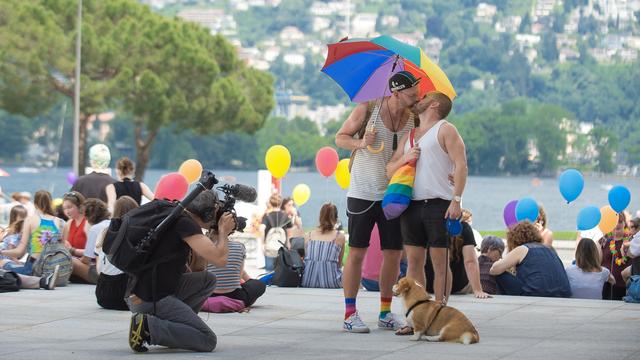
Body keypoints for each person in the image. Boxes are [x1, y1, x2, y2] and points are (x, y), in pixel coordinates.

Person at [335, 70, 419, 333]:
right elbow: (340, 138)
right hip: (362, 192)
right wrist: (361, 142)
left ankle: (385, 312)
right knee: (357, 252)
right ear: (396, 92)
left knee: (393, 254)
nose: (416, 98)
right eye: (411, 94)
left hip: (392, 194)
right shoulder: (368, 109)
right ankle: (350, 313)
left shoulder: (413, 118)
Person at [125, 190, 236, 353]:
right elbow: (220, 260)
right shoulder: (186, 225)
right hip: (151, 298)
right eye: (215, 212)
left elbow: (198, 269)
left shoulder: (175, 214)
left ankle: (179, 329)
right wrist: (224, 233)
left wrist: (213, 237)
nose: (216, 217)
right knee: (207, 340)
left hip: (139, 292)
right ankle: (149, 328)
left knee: (207, 280)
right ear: (206, 213)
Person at [387, 91, 468, 305]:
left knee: (440, 263)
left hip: (438, 203)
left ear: (433, 104)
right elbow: (389, 170)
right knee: (414, 262)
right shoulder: (410, 135)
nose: (418, 100)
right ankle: (416, 311)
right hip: (411, 204)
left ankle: (440, 309)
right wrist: (405, 158)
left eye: (423, 97)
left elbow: (461, 165)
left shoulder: (446, 129)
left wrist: (456, 200)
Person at [490, 222, 571, 297]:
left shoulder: (523, 249)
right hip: (564, 292)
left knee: (499, 273)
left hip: (536, 293)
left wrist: (500, 262)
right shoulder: (549, 249)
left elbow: (494, 269)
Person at [0, 190, 65, 277]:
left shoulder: (30, 220)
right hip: (56, 267)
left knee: (3, 263)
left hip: (35, 267)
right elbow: (63, 248)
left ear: (35, 203)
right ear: (50, 202)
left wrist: (2, 252)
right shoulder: (61, 222)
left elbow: (19, 251)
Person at [424, 221, 489, 299]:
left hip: (427, 286)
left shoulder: (424, 225)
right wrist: (478, 290)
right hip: (458, 286)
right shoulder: (463, 227)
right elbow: (470, 261)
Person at [95, 196, 138, 310]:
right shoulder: (135, 232)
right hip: (124, 295)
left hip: (102, 294)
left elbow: (99, 269)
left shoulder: (104, 232)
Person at [204, 232, 266, 309]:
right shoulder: (239, 246)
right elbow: (239, 277)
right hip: (236, 296)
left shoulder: (203, 248)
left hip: (210, 294)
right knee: (259, 284)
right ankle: (239, 303)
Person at [301, 203, 345, 289]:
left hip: (308, 281)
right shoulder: (339, 237)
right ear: (336, 219)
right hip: (332, 282)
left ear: (320, 217)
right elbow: (339, 264)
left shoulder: (308, 236)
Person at [70, 199, 111, 284]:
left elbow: (86, 260)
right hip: (118, 272)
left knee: (71, 261)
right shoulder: (112, 223)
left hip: (103, 275)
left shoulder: (95, 229)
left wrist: (78, 259)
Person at [599, 212, 631, 300]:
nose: (618, 224)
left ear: (624, 223)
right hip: (607, 284)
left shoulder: (630, 241)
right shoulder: (604, 241)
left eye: (620, 221)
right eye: (615, 221)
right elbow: (598, 261)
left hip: (624, 285)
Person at [260, 194, 292, 271]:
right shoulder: (286, 216)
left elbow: (261, 229)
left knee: (269, 272)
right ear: (281, 203)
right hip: (281, 248)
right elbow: (289, 232)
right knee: (281, 272)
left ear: (270, 203)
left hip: (269, 248)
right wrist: (288, 244)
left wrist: (262, 244)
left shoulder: (267, 215)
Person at [61, 191, 89, 259]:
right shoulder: (69, 223)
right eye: (64, 208)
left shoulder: (88, 222)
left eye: (69, 207)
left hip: (87, 263)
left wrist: (73, 251)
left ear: (80, 206)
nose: (67, 212)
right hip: (73, 261)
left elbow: (92, 252)